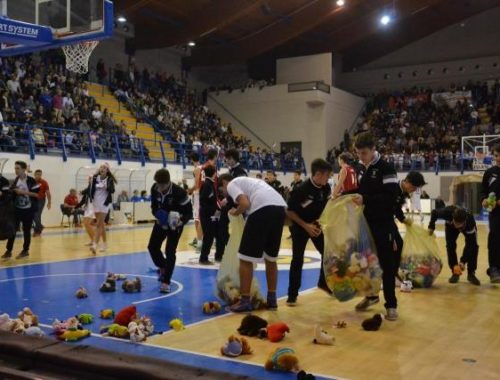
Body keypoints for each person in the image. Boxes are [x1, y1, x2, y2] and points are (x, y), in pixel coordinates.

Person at [219, 174, 287, 312]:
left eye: (222, 190)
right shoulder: (252, 182)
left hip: (262, 209)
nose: (224, 194)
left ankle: (245, 301)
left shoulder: (232, 184)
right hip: (280, 208)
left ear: (224, 183)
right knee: (270, 258)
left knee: (245, 258)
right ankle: (272, 300)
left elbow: (244, 204)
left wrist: (236, 212)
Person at [352, 133, 400, 321]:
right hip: (365, 226)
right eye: (358, 153)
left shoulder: (386, 169)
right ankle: (371, 296)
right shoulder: (363, 168)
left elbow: (391, 198)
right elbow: (362, 193)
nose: (361, 157)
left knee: (387, 266)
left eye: (363, 153)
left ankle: (391, 305)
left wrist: (366, 199)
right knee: (365, 264)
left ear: (373, 149)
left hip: (384, 226)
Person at [286, 159, 333, 306]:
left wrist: (321, 223)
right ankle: (292, 294)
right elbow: (289, 212)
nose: (329, 178)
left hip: (315, 225)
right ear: (318, 174)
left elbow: (324, 208)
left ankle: (323, 283)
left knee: (327, 254)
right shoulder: (301, 189)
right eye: (327, 175)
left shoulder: (326, 188)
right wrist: (306, 226)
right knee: (297, 259)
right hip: (299, 226)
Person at [148, 169, 193, 293]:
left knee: (170, 251)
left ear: (169, 182)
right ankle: (163, 266)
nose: (159, 187)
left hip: (175, 225)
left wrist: (181, 221)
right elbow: (153, 207)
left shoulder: (180, 193)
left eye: (162, 185)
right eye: (158, 184)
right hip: (161, 222)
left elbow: (189, 212)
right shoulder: (154, 188)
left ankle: (166, 281)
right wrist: (158, 214)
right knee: (152, 247)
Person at [428, 206, 480, 285]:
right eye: (456, 223)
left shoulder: (470, 222)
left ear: (464, 221)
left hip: (466, 228)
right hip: (450, 227)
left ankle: (471, 273)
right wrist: (431, 226)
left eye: (459, 224)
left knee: (474, 246)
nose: (457, 226)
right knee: (450, 246)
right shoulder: (447, 212)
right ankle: (455, 271)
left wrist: (463, 261)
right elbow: (434, 212)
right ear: (453, 218)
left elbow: (470, 244)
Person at [2, 161, 40, 259]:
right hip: (17, 209)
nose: (16, 170)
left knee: (26, 231)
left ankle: (25, 250)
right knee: (12, 230)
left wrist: (22, 192)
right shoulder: (16, 180)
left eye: (17, 168)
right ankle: (8, 251)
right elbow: (12, 192)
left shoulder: (31, 180)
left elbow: (37, 195)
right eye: (15, 168)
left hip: (28, 210)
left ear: (24, 169)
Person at [393, 171, 427, 279]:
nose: (415, 190)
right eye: (415, 187)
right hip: (379, 220)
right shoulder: (392, 187)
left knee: (398, 243)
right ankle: (389, 273)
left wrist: (404, 219)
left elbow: (397, 209)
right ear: (407, 182)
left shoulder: (403, 193)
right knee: (392, 245)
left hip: (388, 220)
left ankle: (394, 271)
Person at [481, 143, 500, 283]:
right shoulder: (489, 172)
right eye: (496, 155)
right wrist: (483, 200)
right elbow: (483, 191)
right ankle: (493, 268)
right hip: (495, 213)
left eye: (499, 155)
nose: (497, 158)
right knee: (494, 237)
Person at [88, 163, 116, 254]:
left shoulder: (109, 179)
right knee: (101, 225)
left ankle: (94, 245)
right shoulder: (95, 178)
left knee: (99, 224)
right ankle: (104, 244)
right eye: (101, 167)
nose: (102, 169)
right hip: (96, 203)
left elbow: (112, 190)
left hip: (104, 203)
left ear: (107, 170)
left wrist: (106, 186)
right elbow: (91, 189)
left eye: (104, 167)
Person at [199, 165, 223, 264]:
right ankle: (203, 258)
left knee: (215, 235)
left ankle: (217, 256)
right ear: (214, 173)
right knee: (208, 237)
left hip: (210, 214)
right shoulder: (207, 185)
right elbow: (204, 201)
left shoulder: (209, 184)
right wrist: (215, 210)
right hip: (208, 215)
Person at [188, 152, 203, 250]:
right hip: (202, 196)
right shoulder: (204, 167)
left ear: (192, 160)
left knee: (197, 220)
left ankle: (200, 242)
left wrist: (190, 190)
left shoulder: (197, 169)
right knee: (201, 218)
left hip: (198, 195)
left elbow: (197, 184)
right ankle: (201, 240)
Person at [33, 169, 51, 236]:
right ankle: (39, 227)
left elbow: (48, 193)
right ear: (34, 175)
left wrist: (49, 202)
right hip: (33, 200)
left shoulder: (44, 182)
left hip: (41, 200)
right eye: (37, 174)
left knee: (37, 214)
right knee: (34, 215)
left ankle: (37, 230)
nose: (38, 176)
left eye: (40, 174)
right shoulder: (32, 181)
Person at [77, 178, 95, 246]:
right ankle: (92, 240)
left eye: (91, 179)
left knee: (88, 224)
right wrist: (76, 207)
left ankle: (94, 240)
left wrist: (81, 192)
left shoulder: (93, 187)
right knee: (85, 224)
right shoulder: (88, 189)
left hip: (93, 207)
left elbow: (87, 190)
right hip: (88, 208)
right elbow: (83, 200)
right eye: (89, 179)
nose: (89, 180)